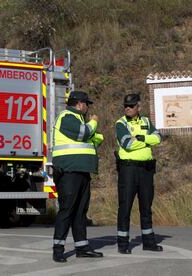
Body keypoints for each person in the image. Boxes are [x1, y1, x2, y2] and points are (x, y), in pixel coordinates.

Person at [52, 91, 104, 262]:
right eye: (86, 103)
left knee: (81, 211)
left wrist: (93, 134)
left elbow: (90, 138)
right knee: (67, 210)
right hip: (69, 172)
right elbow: (84, 133)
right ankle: (58, 249)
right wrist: (94, 122)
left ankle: (82, 247)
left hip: (81, 172)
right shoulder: (67, 117)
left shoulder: (78, 119)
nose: (88, 107)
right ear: (79, 104)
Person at [115, 93, 163, 254]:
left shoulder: (146, 121)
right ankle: (123, 244)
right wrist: (147, 140)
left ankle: (148, 242)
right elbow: (127, 144)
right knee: (125, 207)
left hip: (146, 170)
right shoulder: (120, 123)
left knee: (146, 207)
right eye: (126, 106)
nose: (127, 108)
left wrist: (141, 137)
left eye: (131, 106)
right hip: (128, 170)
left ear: (138, 107)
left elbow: (158, 137)